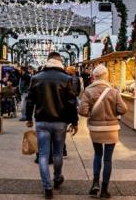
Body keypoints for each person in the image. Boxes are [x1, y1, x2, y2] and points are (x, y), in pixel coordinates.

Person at [26, 52, 79, 199]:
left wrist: (28, 117)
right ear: (59, 61)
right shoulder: (66, 78)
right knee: (57, 152)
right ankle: (57, 178)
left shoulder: (36, 78)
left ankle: (47, 187)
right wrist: (74, 121)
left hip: (42, 120)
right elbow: (71, 102)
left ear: (48, 61)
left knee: (43, 154)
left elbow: (30, 100)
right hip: (60, 121)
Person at [78, 64, 127, 199]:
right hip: (111, 129)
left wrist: (90, 113)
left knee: (97, 154)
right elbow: (123, 109)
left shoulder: (88, 91)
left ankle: (95, 184)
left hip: (95, 128)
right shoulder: (113, 91)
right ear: (106, 76)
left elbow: (82, 111)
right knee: (108, 159)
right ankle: (104, 190)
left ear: (94, 76)